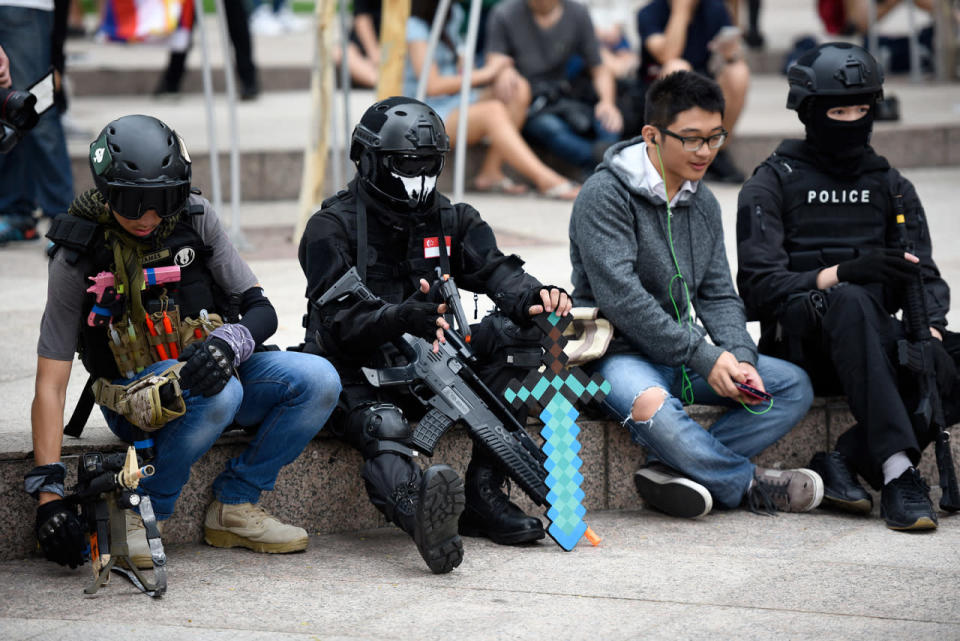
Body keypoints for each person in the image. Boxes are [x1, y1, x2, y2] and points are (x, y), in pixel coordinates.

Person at [27, 115, 341, 571]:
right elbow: (50, 383)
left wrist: (231, 341)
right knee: (222, 392)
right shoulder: (77, 250)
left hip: (215, 371)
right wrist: (48, 498)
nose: (148, 217)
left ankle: (234, 505)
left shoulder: (194, 216)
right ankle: (139, 510)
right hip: (136, 400)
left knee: (320, 379)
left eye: (162, 201)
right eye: (133, 204)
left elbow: (261, 309)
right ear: (108, 190)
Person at [298, 97, 572, 573]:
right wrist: (401, 317)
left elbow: (496, 270)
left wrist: (534, 296)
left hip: (438, 364)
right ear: (370, 160)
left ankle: (483, 496)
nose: (420, 176)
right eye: (408, 164)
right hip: (357, 375)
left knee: (521, 339)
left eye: (430, 164)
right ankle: (421, 512)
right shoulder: (330, 228)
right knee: (384, 427)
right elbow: (341, 322)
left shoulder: (451, 218)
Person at [568, 71, 821, 519]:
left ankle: (673, 467)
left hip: (682, 354)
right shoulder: (604, 195)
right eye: (691, 139)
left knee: (790, 386)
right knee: (652, 407)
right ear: (652, 134)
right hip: (617, 350)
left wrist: (739, 355)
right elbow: (623, 300)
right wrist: (704, 355)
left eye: (715, 138)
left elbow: (719, 294)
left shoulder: (702, 202)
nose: (706, 152)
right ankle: (748, 483)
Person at [736, 42, 959, 531]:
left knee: (948, 355)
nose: (853, 120)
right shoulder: (770, 184)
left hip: (876, 349)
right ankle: (899, 474)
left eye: (863, 109)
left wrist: (934, 332)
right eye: (840, 110)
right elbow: (755, 290)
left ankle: (845, 460)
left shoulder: (891, 185)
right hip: (801, 349)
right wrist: (839, 275)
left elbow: (923, 276)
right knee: (852, 300)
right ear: (811, 113)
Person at [405, 0, 579, 199]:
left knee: (517, 88)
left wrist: (502, 71)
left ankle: (490, 172)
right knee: (493, 111)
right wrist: (488, 73)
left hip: (454, 99)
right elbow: (432, 86)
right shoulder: (415, 27)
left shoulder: (454, 13)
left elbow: (462, 67)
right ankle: (545, 179)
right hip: (425, 113)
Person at [485, 0, 624, 175]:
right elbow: (493, 60)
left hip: (565, 95)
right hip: (528, 102)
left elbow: (598, 67)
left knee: (608, 120)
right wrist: (503, 69)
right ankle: (608, 162)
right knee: (551, 130)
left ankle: (603, 163)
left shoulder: (578, 13)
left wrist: (607, 102)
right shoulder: (504, 13)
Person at [635, 0, 750, 183]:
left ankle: (716, 151)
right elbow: (667, 55)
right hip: (658, 94)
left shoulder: (714, 8)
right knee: (677, 67)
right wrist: (680, 11)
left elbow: (733, 51)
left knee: (738, 72)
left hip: (703, 83)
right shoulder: (649, 13)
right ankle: (676, 154)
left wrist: (730, 53)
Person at [0, 0, 74, 245]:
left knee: (36, 110)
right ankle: (15, 212)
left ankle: (65, 220)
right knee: (7, 111)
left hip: (22, 5)